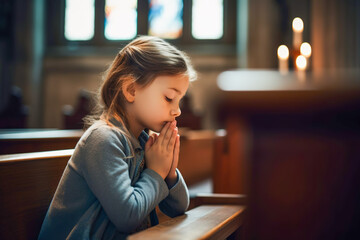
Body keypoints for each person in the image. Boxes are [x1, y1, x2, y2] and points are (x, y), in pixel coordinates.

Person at [38, 36, 197, 240]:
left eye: (179, 100)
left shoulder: (143, 141)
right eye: (168, 98)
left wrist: (169, 172)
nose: (177, 111)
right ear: (131, 90)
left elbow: (179, 208)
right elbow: (127, 216)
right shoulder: (103, 139)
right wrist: (156, 171)